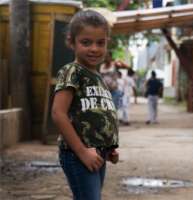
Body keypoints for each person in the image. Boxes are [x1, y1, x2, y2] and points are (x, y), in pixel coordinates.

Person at [51, 10, 119, 200]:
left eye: (100, 43)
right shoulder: (72, 71)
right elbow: (58, 113)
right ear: (71, 42)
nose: (94, 49)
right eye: (86, 42)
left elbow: (97, 112)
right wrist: (82, 152)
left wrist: (108, 146)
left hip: (98, 153)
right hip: (77, 153)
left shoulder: (97, 76)